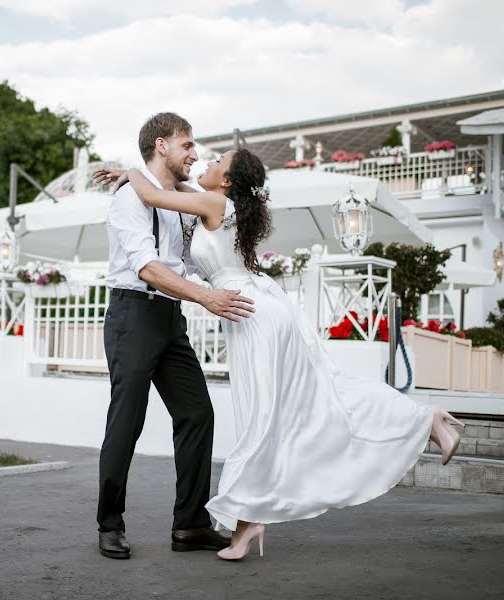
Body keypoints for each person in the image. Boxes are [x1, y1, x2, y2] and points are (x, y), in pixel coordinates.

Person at [97, 147, 464, 561]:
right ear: (162, 145)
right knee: (298, 401)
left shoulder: (212, 201)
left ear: (229, 181)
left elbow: (154, 194)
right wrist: (143, 176)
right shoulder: (216, 199)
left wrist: (131, 170)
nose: (204, 158)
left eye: (217, 161)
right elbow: (168, 190)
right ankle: (240, 522)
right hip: (242, 308)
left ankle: (231, 520)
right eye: (192, 148)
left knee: (263, 416)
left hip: (250, 315)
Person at [97, 113, 256, 560]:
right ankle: (109, 523)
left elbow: (180, 261)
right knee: (126, 422)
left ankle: (190, 525)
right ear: (162, 145)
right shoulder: (131, 197)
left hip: (169, 317)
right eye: (187, 145)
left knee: (197, 413)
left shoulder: (173, 199)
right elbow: (147, 267)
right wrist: (207, 297)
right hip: (132, 315)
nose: (195, 153)